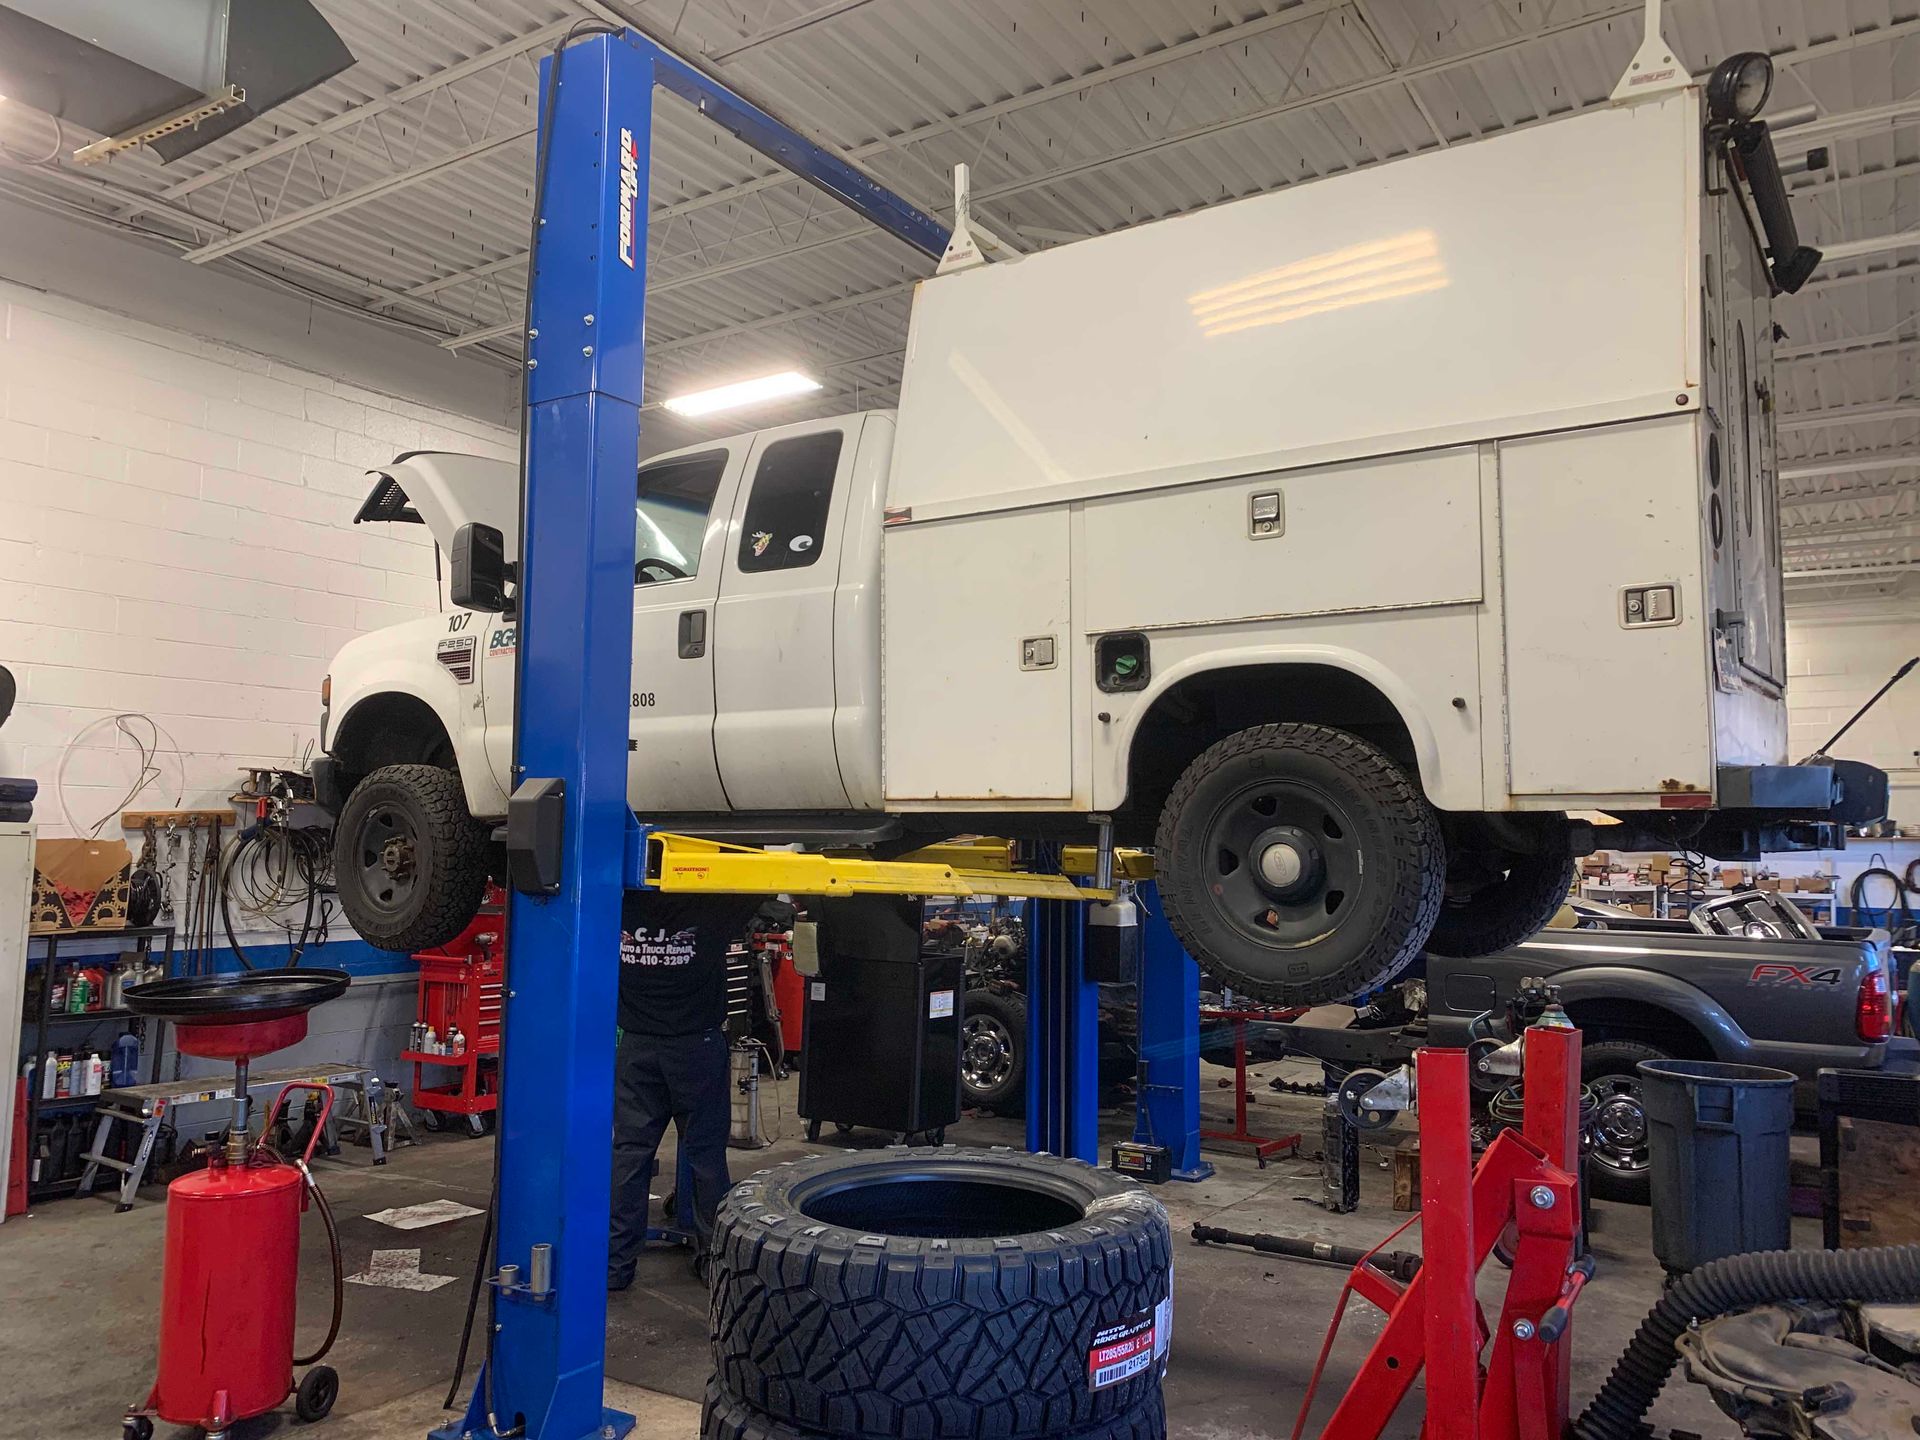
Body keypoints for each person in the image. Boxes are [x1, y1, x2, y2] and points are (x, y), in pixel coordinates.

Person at [606, 889, 763, 1290]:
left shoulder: (618, 903)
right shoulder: (713, 905)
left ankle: (617, 1264)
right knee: (705, 1156)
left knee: (630, 1155)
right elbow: (756, 879)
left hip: (638, 1049)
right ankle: (714, 1261)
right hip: (697, 1048)